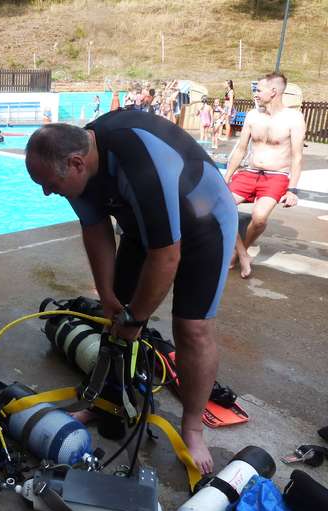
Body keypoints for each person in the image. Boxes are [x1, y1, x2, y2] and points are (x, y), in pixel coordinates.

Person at [24, 116, 238, 474]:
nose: (48, 192)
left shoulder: (137, 159)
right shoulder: (76, 164)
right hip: (143, 227)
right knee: (114, 314)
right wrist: (108, 296)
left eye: (50, 184)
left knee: (191, 328)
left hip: (204, 224)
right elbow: (94, 228)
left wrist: (135, 318)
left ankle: (193, 425)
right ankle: (108, 400)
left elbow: (167, 256)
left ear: (77, 163)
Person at [223, 72, 305, 279]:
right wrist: (226, 178)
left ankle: (241, 250)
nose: (256, 94)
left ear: (274, 92)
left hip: (276, 176)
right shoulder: (252, 116)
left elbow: (297, 156)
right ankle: (241, 254)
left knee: (259, 219)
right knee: (220, 207)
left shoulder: (293, 118)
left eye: (259, 90)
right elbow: (240, 150)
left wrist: (292, 189)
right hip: (249, 172)